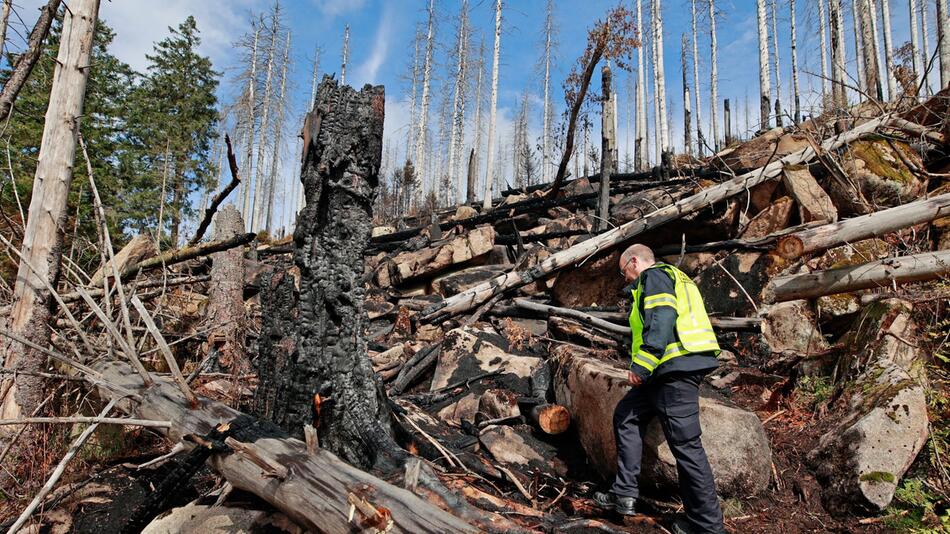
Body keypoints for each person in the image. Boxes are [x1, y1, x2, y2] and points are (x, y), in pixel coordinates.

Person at [593, 244, 725, 534]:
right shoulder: (673, 278)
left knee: (687, 449)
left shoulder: (655, 277)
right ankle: (624, 493)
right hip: (665, 371)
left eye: (623, 271)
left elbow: (662, 318)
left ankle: (708, 527)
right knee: (626, 415)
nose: (625, 278)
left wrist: (641, 365)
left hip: (674, 370)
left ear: (635, 262)